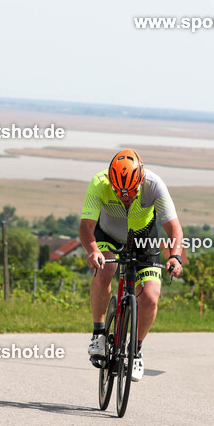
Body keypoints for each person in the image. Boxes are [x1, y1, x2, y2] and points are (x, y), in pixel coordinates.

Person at [79, 149, 183, 381]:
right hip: (107, 235)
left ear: (141, 178)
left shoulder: (154, 184)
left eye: (131, 192)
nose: (125, 197)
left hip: (143, 238)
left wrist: (175, 256)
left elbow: (174, 229)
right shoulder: (99, 183)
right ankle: (99, 333)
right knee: (105, 268)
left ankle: (135, 350)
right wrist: (93, 251)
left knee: (151, 295)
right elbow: (86, 227)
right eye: (119, 193)